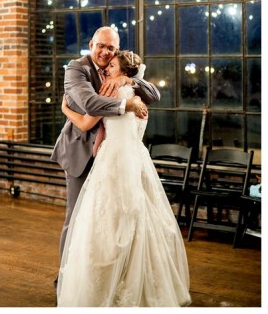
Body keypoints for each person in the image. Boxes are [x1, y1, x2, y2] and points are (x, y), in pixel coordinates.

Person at [56, 51, 190, 306]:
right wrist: (129, 85)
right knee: (137, 219)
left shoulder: (113, 93)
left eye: (113, 66)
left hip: (114, 161)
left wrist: (65, 109)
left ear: (125, 72)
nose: (107, 69)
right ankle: (137, 281)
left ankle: (107, 282)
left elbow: (85, 123)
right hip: (136, 159)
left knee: (105, 222)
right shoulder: (139, 97)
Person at [50, 26, 159, 276]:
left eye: (111, 48)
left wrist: (128, 81)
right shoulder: (76, 69)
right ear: (91, 44)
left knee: (103, 220)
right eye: (101, 45)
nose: (105, 52)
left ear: (116, 50)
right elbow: (90, 103)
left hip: (112, 157)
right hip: (81, 153)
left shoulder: (119, 70)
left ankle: (98, 274)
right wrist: (127, 104)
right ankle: (66, 278)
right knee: (76, 218)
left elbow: (155, 94)